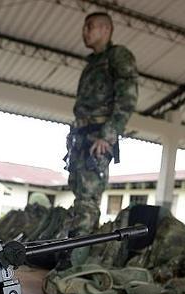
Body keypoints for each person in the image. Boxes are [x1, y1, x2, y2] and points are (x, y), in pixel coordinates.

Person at [67, 12, 138, 236]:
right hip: (82, 136)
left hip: (98, 137)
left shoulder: (118, 56)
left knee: (88, 198)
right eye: (84, 27)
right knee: (79, 193)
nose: (84, 32)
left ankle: (74, 259)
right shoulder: (92, 63)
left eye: (90, 27)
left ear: (106, 30)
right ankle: (72, 249)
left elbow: (127, 98)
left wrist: (108, 135)